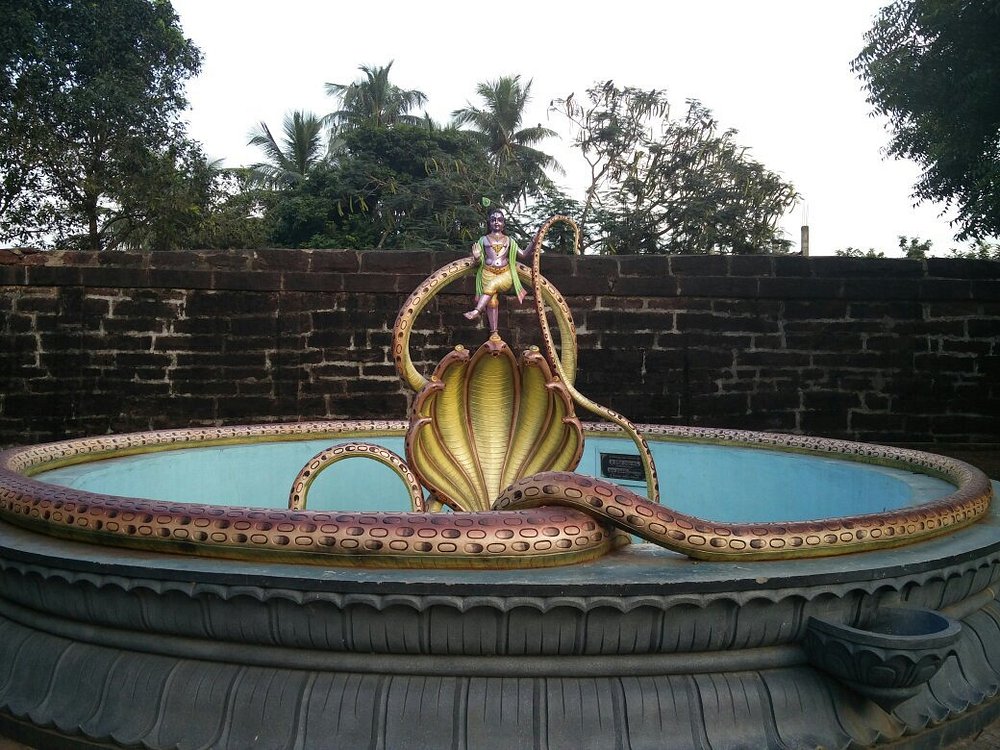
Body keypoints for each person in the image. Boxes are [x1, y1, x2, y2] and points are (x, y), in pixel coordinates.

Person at [463, 209, 534, 333]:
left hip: (504, 273)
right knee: (492, 302)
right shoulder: (483, 240)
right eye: (493, 220)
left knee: (492, 285)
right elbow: (478, 263)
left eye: (500, 220)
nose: (496, 222)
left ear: (504, 223)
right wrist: (476, 257)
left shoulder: (509, 240)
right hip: (487, 272)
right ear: (489, 223)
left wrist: (533, 242)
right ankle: (494, 332)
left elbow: (522, 255)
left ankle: (477, 311)